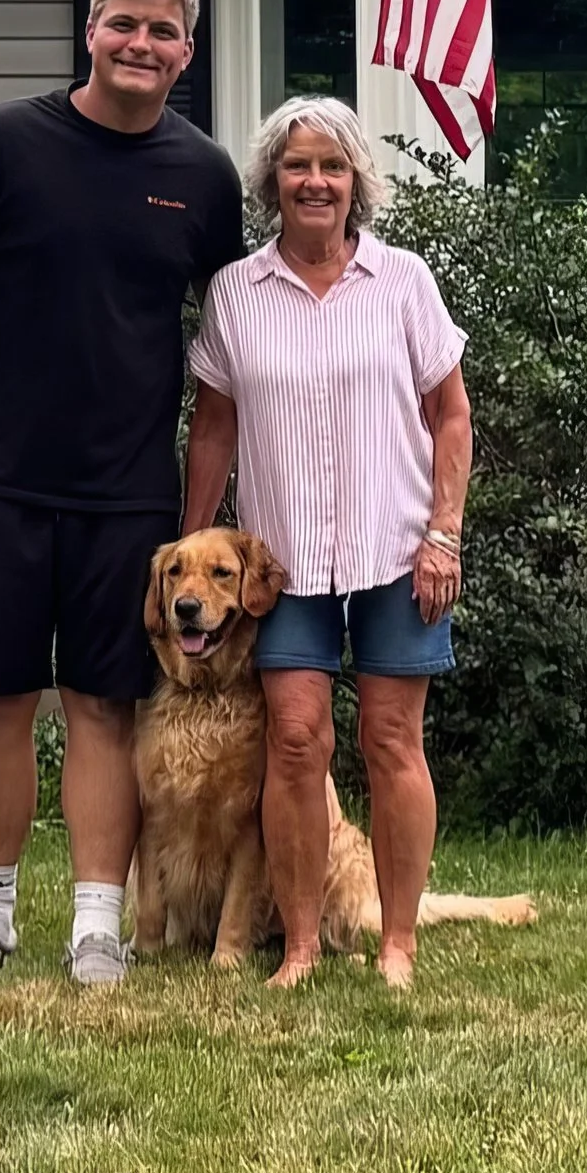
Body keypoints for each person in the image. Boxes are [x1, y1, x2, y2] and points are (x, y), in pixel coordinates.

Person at [0, 0, 245, 988]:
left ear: (187, 51)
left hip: (128, 490)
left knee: (102, 704)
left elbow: (223, 353)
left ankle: (98, 926)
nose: (142, 44)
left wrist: (195, 520)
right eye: (124, 24)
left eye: (163, 32)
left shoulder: (203, 176)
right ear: (89, 31)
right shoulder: (4, 143)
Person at [181, 94, 472, 992]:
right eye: (298, 165)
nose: (316, 180)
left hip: (397, 551)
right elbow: (216, 425)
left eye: (333, 165)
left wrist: (444, 535)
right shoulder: (237, 291)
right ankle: (300, 945)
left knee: (393, 743)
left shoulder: (405, 282)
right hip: (283, 563)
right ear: (273, 181)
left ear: (357, 184)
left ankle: (397, 945)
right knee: (297, 743)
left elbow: (450, 416)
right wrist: (195, 539)